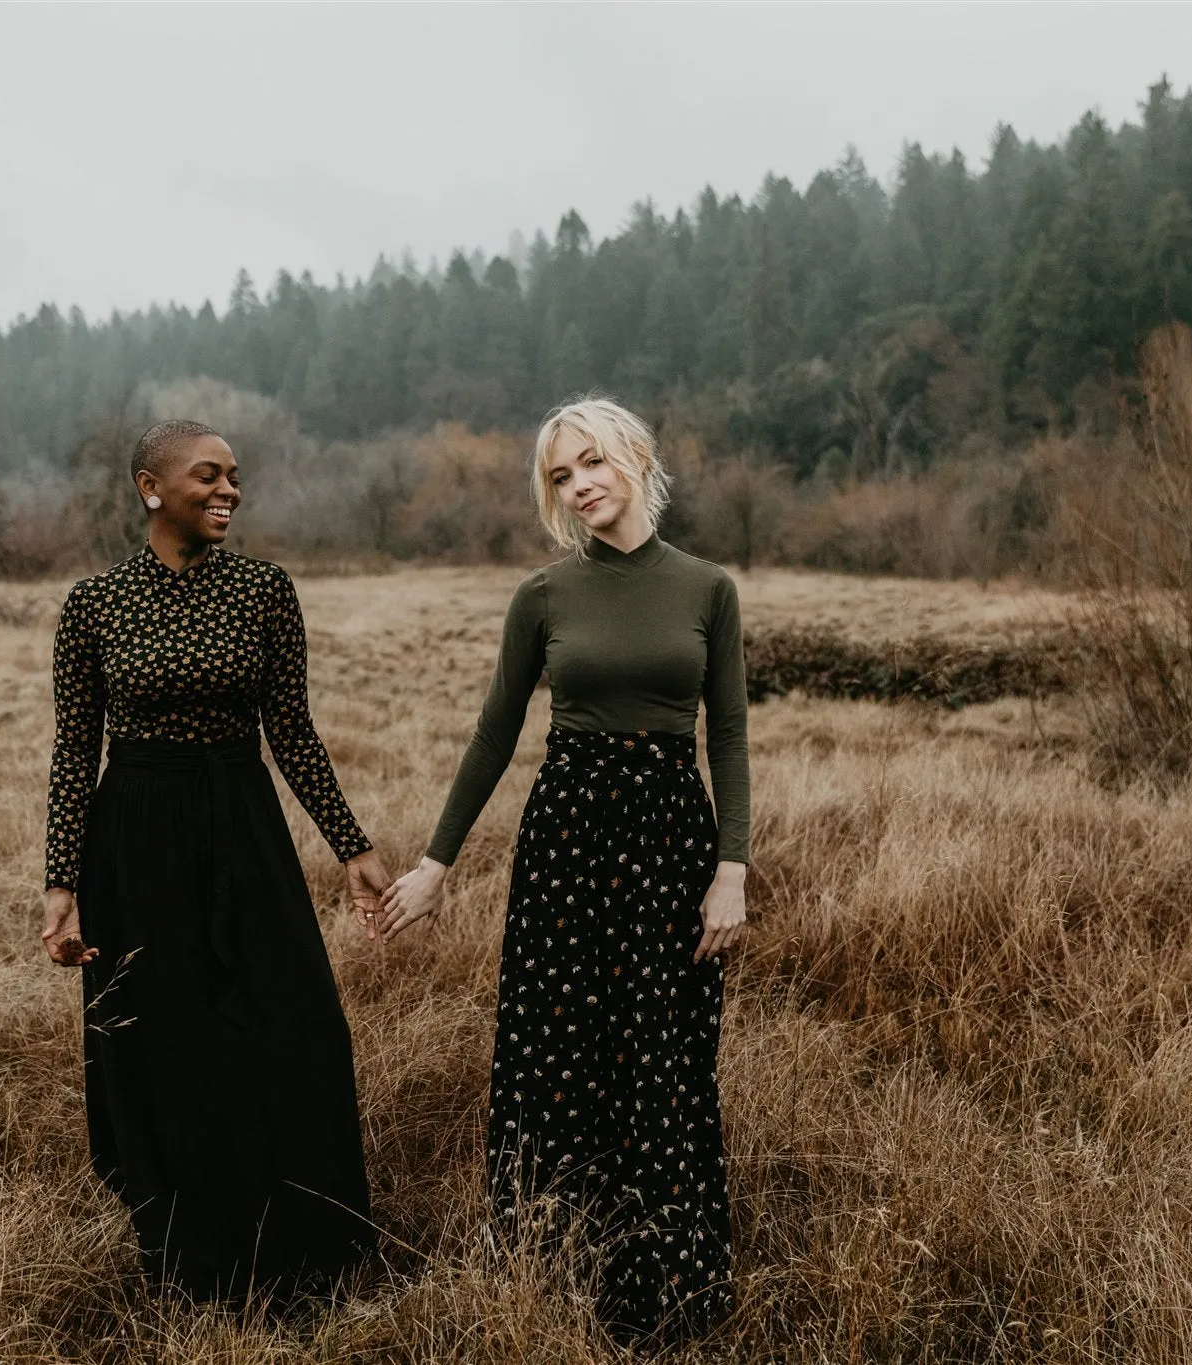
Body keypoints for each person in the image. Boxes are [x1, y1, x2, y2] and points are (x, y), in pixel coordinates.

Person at [376, 396, 749, 1339]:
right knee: (557, 1054)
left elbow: (731, 737)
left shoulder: (708, 588)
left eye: (590, 463)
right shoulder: (544, 595)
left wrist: (732, 870)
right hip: (568, 842)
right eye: (559, 475)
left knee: (662, 1056)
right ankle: (553, 1270)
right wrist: (435, 864)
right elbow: (496, 733)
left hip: (670, 836)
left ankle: (668, 1290)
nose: (578, 485)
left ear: (632, 457)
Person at [40, 418, 389, 1302]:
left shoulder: (266, 592)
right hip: (137, 836)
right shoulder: (95, 604)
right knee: (166, 1044)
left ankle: (311, 1247)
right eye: (209, 475)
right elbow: (76, 752)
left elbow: (292, 731)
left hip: (243, 824)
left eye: (236, 476)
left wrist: (351, 846)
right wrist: (61, 883)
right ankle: (192, 1254)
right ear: (151, 488)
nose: (230, 490)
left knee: (298, 1025)